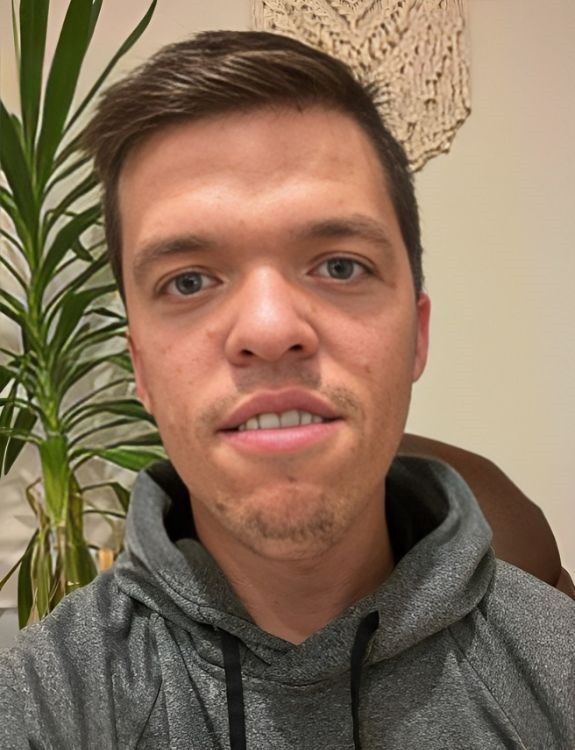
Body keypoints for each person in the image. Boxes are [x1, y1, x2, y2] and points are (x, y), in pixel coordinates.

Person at [1, 30, 573, 750]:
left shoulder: (558, 676)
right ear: (140, 366)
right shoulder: (40, 707)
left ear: (417, 336)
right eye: (188, 281)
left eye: (339, 266)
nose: (269, 330)